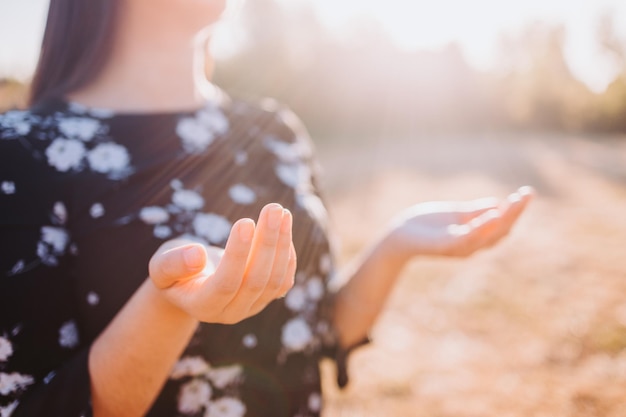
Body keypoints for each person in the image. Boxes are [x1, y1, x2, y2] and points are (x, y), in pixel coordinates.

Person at [0, 1, 533, 416]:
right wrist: (170, 307)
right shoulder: (21, 153)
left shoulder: (274, 132)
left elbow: (313, 334)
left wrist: (395, 247)